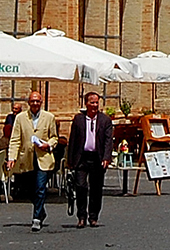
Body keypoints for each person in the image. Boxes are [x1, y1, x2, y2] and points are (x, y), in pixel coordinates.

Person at [6, 89, 60, 232]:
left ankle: (36, 218)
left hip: (44, 158)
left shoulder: (49, 117)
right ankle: (41, 211)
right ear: (29, 103)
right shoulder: (21, 118)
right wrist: (12, 157)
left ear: (41, 102)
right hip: (27, 158)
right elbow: (15, 139)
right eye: (32, 101)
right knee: (29, 189)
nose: (35, 103)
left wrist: (48, 144)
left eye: (37, 101)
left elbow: (54, 137)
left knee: (40, 187)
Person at [67, 89, 115, 228]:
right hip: (81, 158)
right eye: (92, 102)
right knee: (81, 186)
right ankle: (81, 216)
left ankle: (93, 216)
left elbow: (108, 141)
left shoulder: (105, 120)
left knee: (96, 188)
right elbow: (73, 140)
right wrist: (70, 160)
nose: (94, 105)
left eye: (96, 102)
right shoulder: (79, 119)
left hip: (97, 158)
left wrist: (107, 157)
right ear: (86, 104)